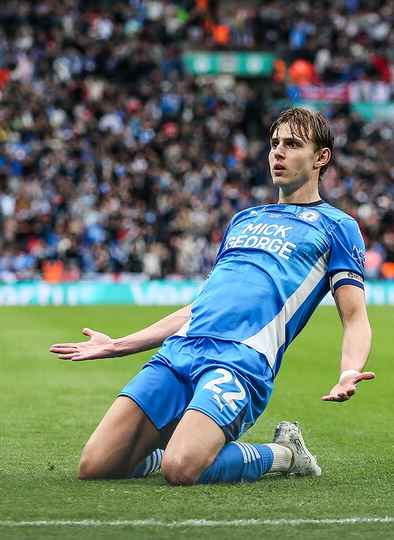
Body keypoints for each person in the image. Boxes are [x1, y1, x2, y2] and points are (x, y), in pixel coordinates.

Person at [50, 108, 374, 484]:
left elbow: (354, 316)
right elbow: (199, 307)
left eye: (292, 144)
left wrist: (348, 372)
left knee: (181, 469)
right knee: (96, 467)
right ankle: (177, 448)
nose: (278, 152)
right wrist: (118, 345)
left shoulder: (338, 226)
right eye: (274, 144)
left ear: (321, 157)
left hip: (241, 361)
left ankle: (286, 454)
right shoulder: (244, 219)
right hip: (180, 352)